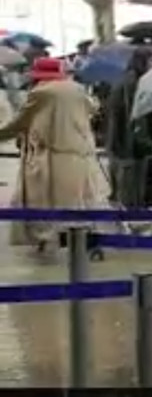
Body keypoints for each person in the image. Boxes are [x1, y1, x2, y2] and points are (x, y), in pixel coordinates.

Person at [0, 58, 105, 255]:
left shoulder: (42, 93)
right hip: (80, 157)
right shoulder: (78, 90)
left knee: (45, 201)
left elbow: (20, 122)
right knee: (79, 201)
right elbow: (93, 110)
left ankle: (47, 241)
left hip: (51, 158)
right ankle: (83, 242)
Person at [104, 48, 152, 210]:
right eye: (151, 61)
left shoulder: (132, 81)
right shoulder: (133, 83)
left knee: (134, 192)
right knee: (133, 194)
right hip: (132, 149)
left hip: (130, 146)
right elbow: (134, 117)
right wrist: (148, 144)